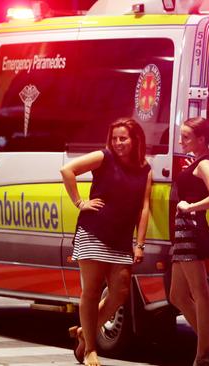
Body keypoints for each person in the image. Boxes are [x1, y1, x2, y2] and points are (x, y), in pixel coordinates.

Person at [60, 118, 152, 366]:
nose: (118, 143)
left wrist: (140, 243)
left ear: (135, 140)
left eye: (124, 138)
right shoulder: (104, 157)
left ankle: (84, 331)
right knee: (90, 291)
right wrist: (80, 203)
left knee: (120, 292)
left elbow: (144, 207)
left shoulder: (144, 168)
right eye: (115, 138)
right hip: (93, 232)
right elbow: (67, 170)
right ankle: (90, 348)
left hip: (121, 238)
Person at [169, 117, 209, 366]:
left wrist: (191, 205)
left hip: (190, 231)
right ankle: (208, 345)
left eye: (186, 137)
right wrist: (199, 204)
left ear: (201, 139)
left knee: (199, 293)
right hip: (184, 232)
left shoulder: (205, 164)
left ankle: (203, 352)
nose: (181, 141)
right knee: (177, 295)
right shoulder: (200, 161)